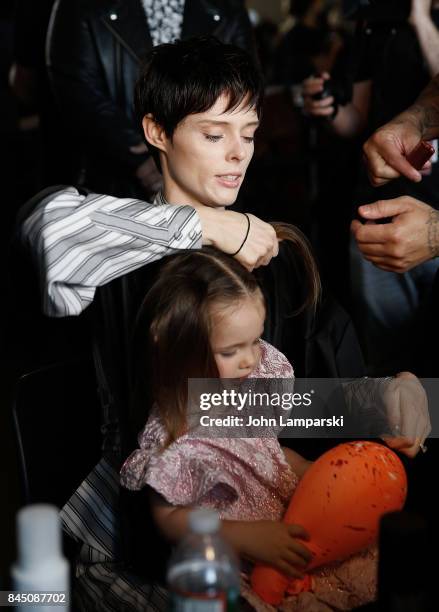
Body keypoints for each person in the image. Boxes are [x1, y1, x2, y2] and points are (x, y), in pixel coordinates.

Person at [120, 247, 378, 611]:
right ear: (176, 346)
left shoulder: (246, 385)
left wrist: (312, 475)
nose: (250, 360)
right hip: (241, 560)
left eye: (255, 341)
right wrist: (244, 538)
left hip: (297, 522)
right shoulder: (175, 434)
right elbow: (170, 519)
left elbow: (268, 449)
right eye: (231, 351)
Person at [302, 0, 439, 374]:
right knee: (390, 366)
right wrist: (410, 122)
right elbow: (359, 119)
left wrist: (437, 232)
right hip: (382, 211)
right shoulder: (371, 22)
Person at [46, 0, 255, 199]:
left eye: (248, 136)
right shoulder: (81, 6)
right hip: (111, 179)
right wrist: (143, 156)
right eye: (213, 134)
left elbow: (247, 89)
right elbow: (77, 92)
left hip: (212, 182)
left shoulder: (226, 6)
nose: (241, 153)